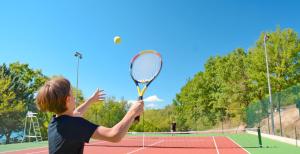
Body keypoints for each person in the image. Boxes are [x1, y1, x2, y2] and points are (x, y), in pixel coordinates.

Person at [36, 77, 144, 154]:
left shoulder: (55, 122)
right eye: (72, 95)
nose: (75, 98)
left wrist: (91, 100)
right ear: (68, 100)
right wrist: (132, 111)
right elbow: (114, 135)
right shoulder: (75, 125)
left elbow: (75, 113)